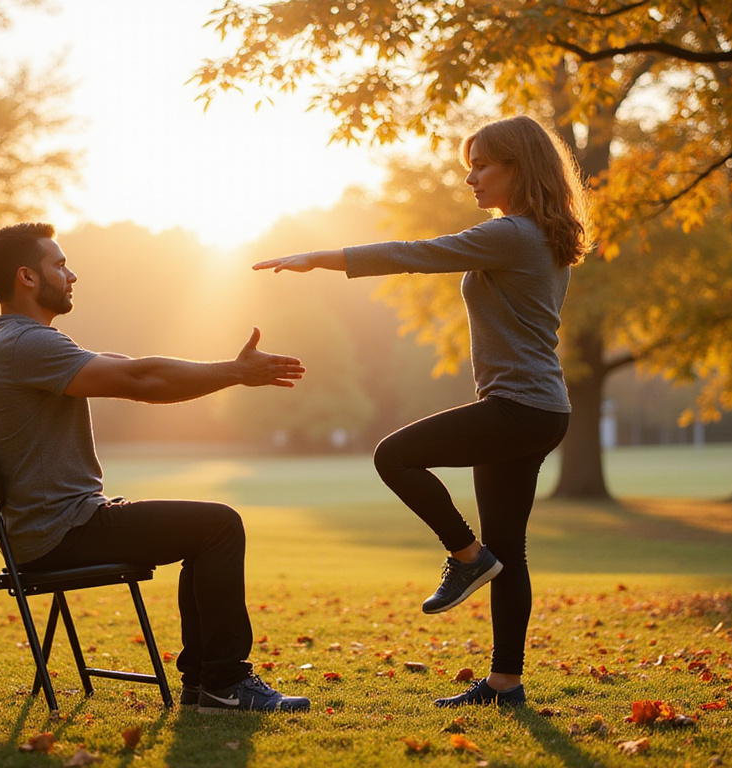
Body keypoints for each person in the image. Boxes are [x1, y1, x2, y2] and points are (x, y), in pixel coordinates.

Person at [253, 115, 590, 708]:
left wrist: (321, 257)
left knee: (394, 456)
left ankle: (465, 556)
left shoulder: (513, 234)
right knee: (509, 550)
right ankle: (505, 683)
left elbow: (418, 254)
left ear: (521, 167)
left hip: (520, 408)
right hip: (537, 409)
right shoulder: (541, 233)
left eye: (484, 164)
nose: (471, 177)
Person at [0, 222, 310, 713]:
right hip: (61, 533)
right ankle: (222, 682)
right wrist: (235, 373)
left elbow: (128, 364)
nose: (72, 275)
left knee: (205, 530)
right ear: (26, 276)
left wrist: (223, 371)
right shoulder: (24, 345)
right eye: (60, 264)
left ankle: (206, 685)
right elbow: (140, 378)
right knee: (218, 526)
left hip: (55, 527)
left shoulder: (20, 342)